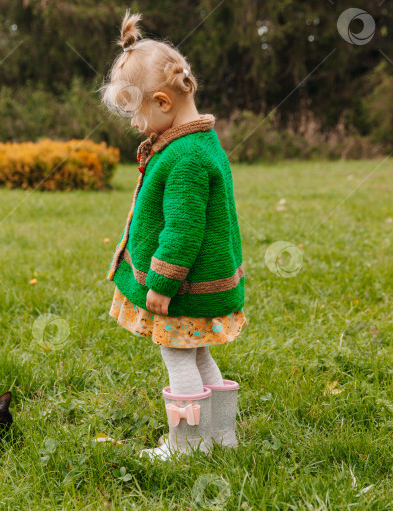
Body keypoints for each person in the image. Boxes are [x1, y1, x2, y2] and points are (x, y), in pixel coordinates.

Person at [102, 11, 248, 460]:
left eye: (136, 112)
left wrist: (162, 284)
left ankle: (189, 445)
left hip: (183, 287)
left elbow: (183, 232)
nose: (134, 124)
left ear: (163, 102)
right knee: (198, 351)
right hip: (199, 286)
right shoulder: (198, 143)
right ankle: (220, 435)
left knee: (178, 355)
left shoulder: (184, 157)